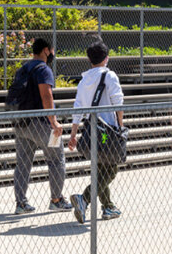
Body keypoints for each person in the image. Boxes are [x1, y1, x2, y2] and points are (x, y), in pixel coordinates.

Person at [11, 38, 72, 215]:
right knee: (56, 159)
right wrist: (53, 121)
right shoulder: (43, 69)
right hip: (41, 124)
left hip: (21, 123)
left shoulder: (23, 68)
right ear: (46, 50)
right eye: (52, 50)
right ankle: (56, 199)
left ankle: (21, 203)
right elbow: (47, 95)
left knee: (23, 163)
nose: (52, 53)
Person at [67, 40, 125, 223]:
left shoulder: (84, 81)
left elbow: (78, 108)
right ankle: (83, 199)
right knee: (111, 169)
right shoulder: (110, 76)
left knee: (101, 168)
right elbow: (118, 103)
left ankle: (108, 207)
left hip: (91, 131)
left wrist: (73, 134)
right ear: (106, 58)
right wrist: (120, 127)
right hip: (107, 132)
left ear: (89, 59)